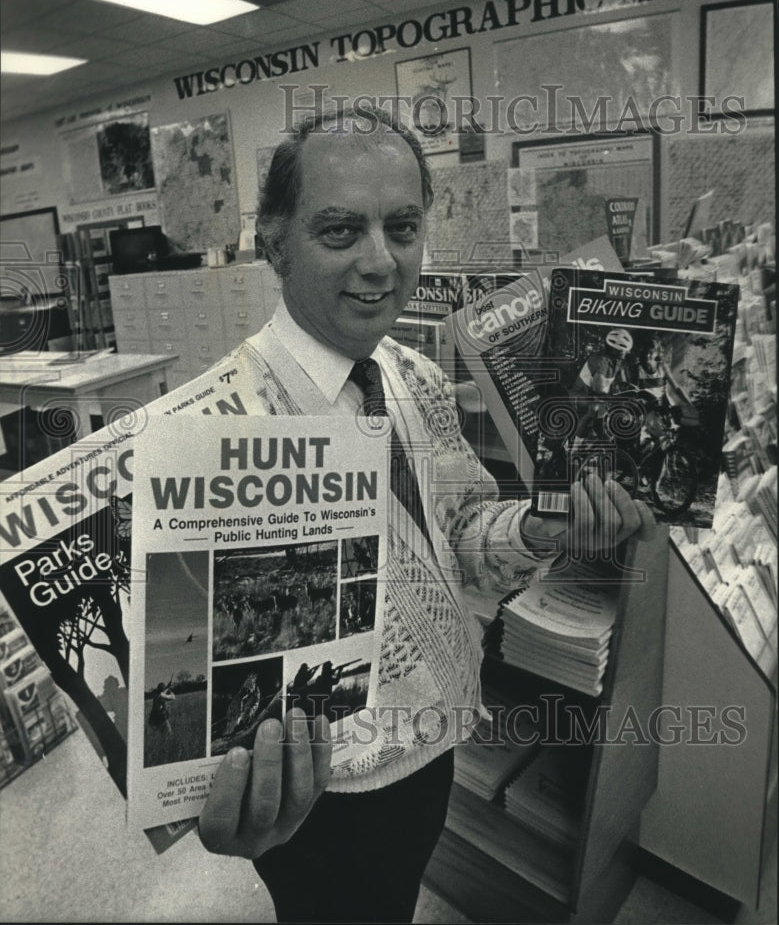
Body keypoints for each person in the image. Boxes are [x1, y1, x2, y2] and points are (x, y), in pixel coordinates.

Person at [198, 106, 654, 923]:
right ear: (273, 242)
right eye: (339, 231)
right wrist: (216, 794)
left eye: (401, 227)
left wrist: (542, 530)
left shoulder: (412, 375)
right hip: (327, 793)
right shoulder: (224, 433)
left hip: (439, 736)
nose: (381, 262)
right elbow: (205, 685)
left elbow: (463, 536)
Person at [570, 328, 634, 439]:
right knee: (595, 408)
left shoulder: (618, 361)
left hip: (594, 395)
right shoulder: (601, 360)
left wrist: (632, 391)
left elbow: (624, 384)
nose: (627, 352)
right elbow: (598, 391)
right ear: (616, 349)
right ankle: (575, 441)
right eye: (624, 350)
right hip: (580, 394)